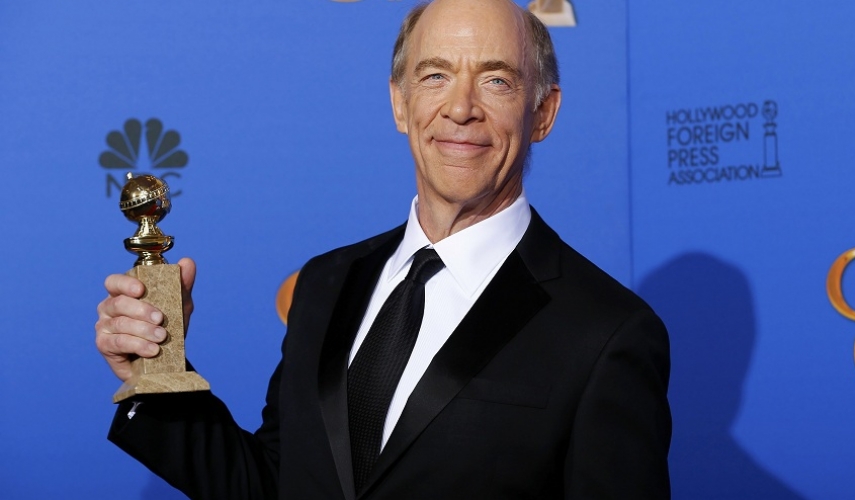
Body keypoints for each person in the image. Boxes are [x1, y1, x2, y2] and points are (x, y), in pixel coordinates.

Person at [95, 0, 671, 498]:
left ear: (542, 112)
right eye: (435, 76)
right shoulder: (324, 284)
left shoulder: (606, 332)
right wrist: (156, 372)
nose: (461, 107)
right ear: (400, 103)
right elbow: (276, 483)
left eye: (496, 80)